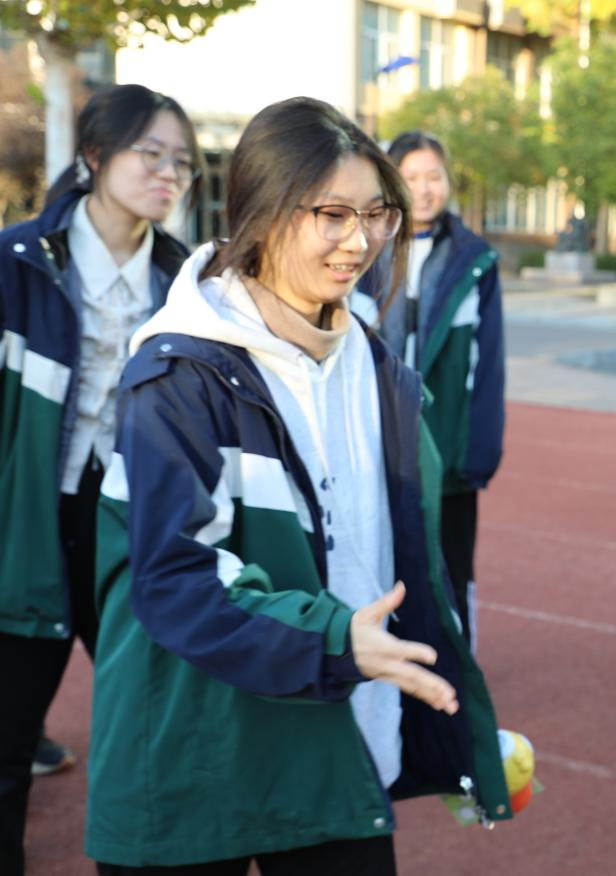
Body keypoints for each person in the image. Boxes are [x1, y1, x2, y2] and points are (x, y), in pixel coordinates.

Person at [87, 97, 510, 875]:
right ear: (263, 212)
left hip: (332, 740)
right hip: (196, 753)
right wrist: (335, 638)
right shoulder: (178, 375)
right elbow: (176, 577)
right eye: (333, 215)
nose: (361, 241)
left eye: (376, 214)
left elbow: (404, 560)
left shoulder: (375, 368)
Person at [0, 83, 196, 875]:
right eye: (150, 153)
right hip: (26, 521)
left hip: (130, 528)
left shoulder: (187, 282)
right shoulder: (17, 263)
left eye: (181, 161)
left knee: (157, 733)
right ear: (94, 156)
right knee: (6, 741)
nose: (168, 173)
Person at [353, 131, 505, 653]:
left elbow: (489, 364)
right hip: (377, 445)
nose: (423, 188)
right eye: (410, 177)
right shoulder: (361, 250)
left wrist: (478, 452)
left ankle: (459, 665)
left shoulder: (474, 260)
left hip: (447, 447)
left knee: (453, 567)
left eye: (433, 176)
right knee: (384, 559)